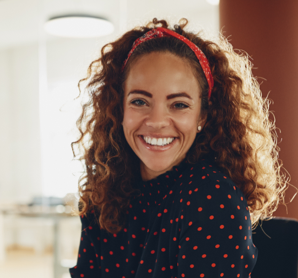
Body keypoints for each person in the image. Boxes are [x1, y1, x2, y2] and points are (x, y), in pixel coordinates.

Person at [70, 18, 286, 278]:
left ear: (202, 117)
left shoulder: (212, 197)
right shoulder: (105, 188)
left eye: (179, 104)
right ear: (119, 109)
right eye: (139, 101)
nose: (157, 122)